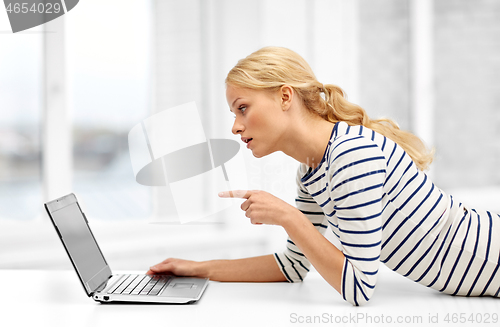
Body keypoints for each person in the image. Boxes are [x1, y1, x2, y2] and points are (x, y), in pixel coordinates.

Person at [147, 46, 500, 306]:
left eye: (243, 108)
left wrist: (287, 216)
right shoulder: (314, 171)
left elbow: (359, 288)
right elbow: (292, 266)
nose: (235, 127)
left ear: (285, 96)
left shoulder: (350, 155)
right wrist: (197, 267)